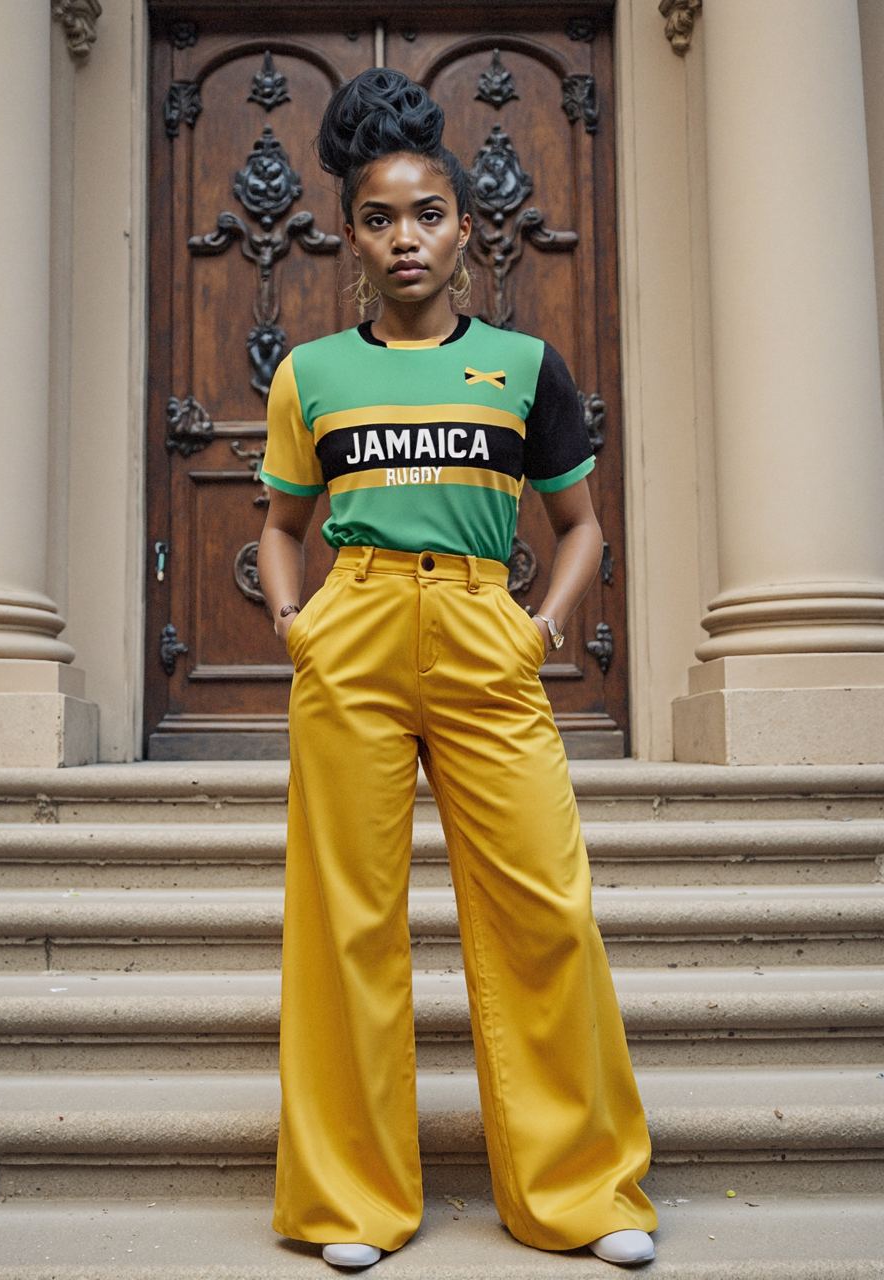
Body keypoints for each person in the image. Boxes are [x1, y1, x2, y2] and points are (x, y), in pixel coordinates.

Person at [256, 67, 658, 1271]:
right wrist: (294, 624)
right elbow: (282, 521)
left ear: (464, 226)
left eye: (426, 213)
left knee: (545, 903)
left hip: (488, 636)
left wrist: (540, 626)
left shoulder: (529, 366)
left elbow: (581, 522)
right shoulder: (311, 374)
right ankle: (349, 1201)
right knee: (345, 921)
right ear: (350, 236)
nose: (404, 237)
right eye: (378, 218)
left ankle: (584, 1192)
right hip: (357, 635)